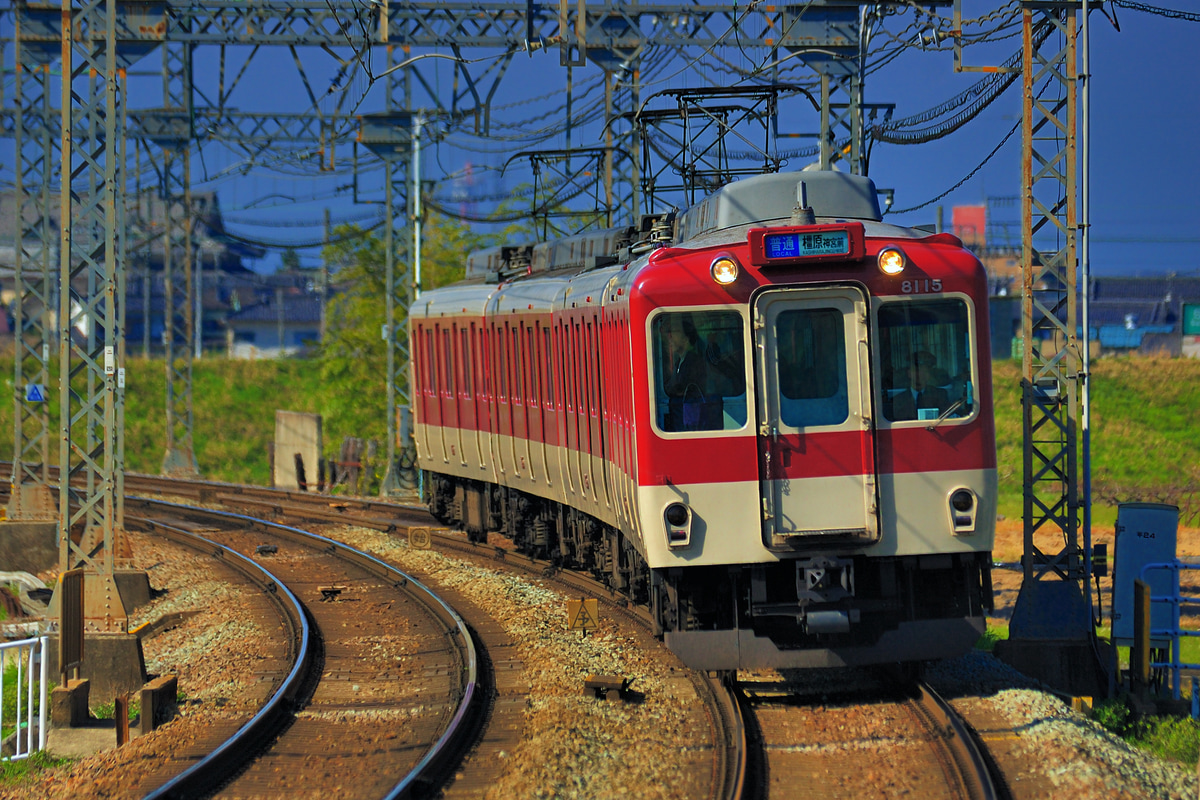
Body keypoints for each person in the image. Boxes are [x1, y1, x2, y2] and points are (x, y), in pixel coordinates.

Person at [663, 317, 715, 431]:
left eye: (676, 333)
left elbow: (682, 388)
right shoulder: (679, 362)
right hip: (681, 418)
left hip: (691, 419)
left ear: (686, 338)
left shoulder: (694, 361)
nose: (670, 339)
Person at [886, 350, 950, 421]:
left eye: (924, 371)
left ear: (929, 375)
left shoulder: (940, 395)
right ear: (909, 373)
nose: (920, 375)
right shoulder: (898, 400)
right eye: (916, 371)